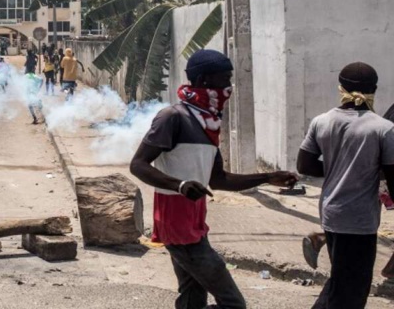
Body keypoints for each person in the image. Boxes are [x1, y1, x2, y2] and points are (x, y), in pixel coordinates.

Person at [130, 49, 297, 309]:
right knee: (233, 304)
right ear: (205, 80)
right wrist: (180, 185)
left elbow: (218, 180)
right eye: (225, 79)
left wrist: (266, 177)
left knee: (192, 296)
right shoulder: (172, 117)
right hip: (176, 222)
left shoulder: (209, 123)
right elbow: (138, 165)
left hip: (195, 221)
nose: (229, 87)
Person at [296, 62, 394, 309]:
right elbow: (392, 176)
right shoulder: (383, 129)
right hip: (360, 219)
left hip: (331, 214)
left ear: (341, 87)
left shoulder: (322, 121)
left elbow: (305, 165)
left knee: (342, 281)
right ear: (374, 89)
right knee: (351, 291)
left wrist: (338, 169)